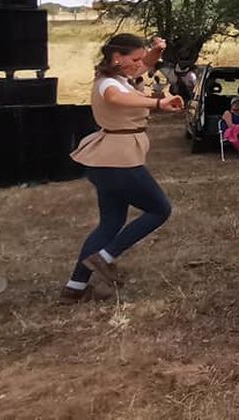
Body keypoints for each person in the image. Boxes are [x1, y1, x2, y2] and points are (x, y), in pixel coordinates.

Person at [61, 34, 185, 302]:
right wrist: (157, 103)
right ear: (117, 58)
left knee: (111, 223)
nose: (139, 65)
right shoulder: (108, 84)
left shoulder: (122, 75)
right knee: (159, 209)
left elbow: (144, 64)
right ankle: (104, 257)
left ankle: (75, 288)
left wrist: (155, 50)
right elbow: (117, 99)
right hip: (118, 161)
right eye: (134, 59)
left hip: (108, 161)